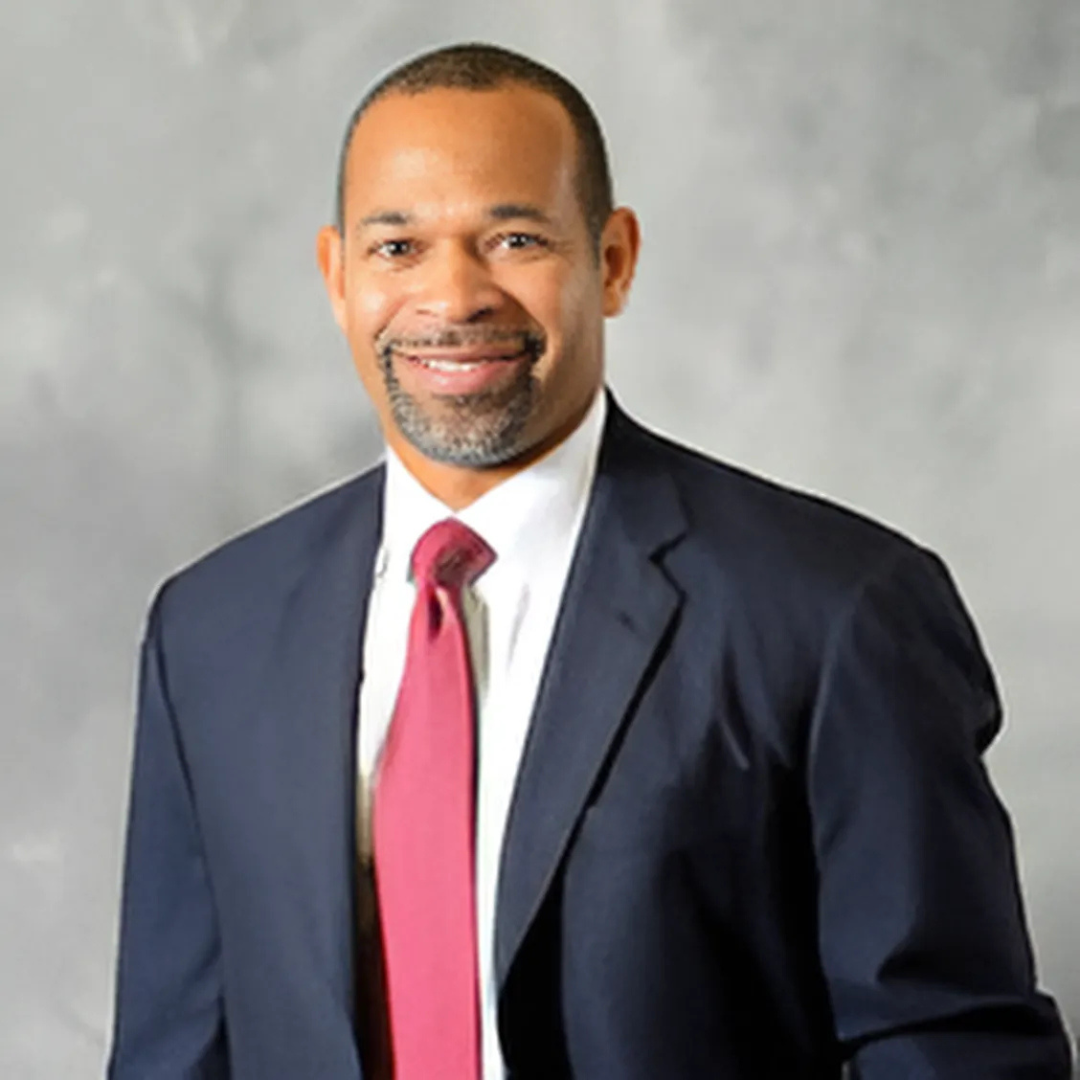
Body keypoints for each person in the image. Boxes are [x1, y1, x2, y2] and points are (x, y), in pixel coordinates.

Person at [107, 42, 1072, 1080]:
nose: (453, 297)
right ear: (339, 277)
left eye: (514, 239)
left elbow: (949, 1053)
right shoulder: (211, 631)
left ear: (611, 261)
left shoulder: (834, 612)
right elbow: (174, 1053)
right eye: (399, 248)